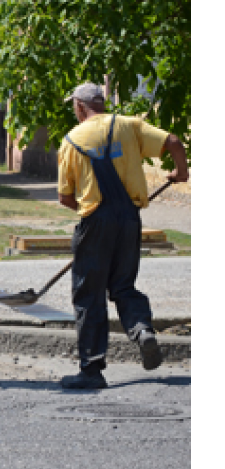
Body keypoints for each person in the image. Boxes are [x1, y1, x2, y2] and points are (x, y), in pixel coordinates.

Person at [57, 82, 189, 389]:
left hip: (95, 221)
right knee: (123, 286)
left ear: (80, 107)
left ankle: (91, 370)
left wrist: (92, 215)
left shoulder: (71, 140)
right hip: (129, 219)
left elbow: (65, 197)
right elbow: (173, 142)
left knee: (89, 293)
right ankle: (142, 330)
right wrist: (181, 172)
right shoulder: (129, 126)